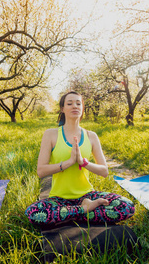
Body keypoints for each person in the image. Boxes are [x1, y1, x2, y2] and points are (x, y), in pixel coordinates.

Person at [25, 91, 135, 226]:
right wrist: (69, 162)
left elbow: (104, 171)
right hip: (59, 199)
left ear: (82, 108)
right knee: (33, 212)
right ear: (62, 109)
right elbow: (41, 171)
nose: (75, 106)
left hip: (87, 195)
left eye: (78, 103)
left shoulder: (91, 136)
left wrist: (84, 162)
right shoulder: (51, 134)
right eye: (69, 103)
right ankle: (85, 209)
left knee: (126, 206)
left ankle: (69, 214)